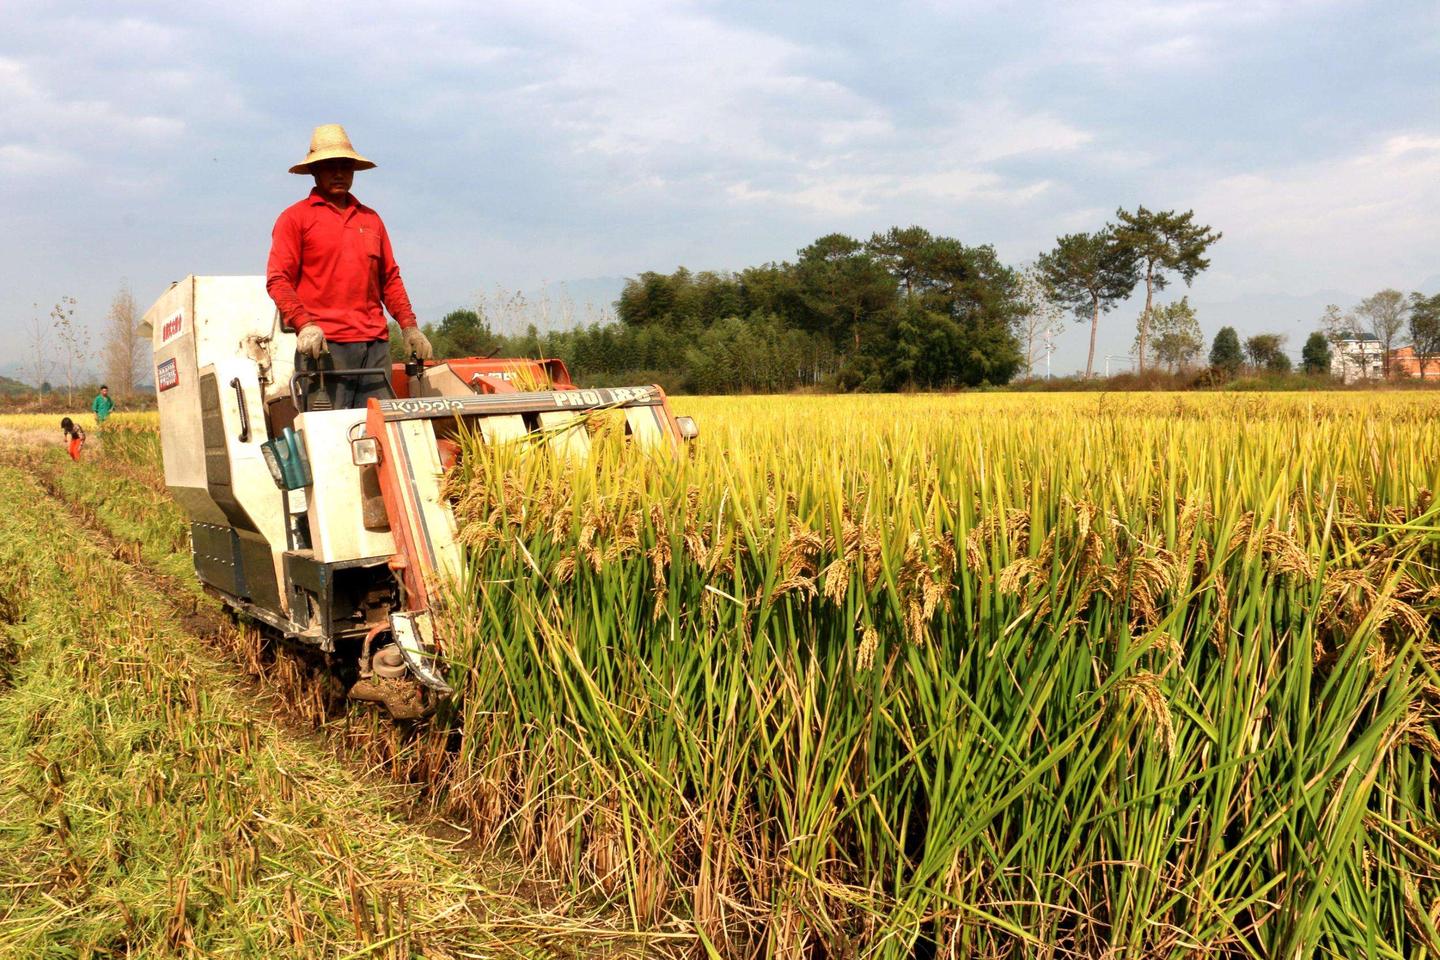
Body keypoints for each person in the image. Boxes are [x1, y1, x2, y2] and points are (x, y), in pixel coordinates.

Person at [265, 124, 432, 410]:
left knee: (380, 432)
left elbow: (389, 279)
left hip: (375, 346)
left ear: (354, 171)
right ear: (315, 172)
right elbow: (278, 279)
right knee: (329, 436)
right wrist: (305, 326)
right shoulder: (295, 219)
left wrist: (409, 327)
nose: (339, 173)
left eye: (345, 166)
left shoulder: (371, 219)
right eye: (330, 166)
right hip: (324, 348)